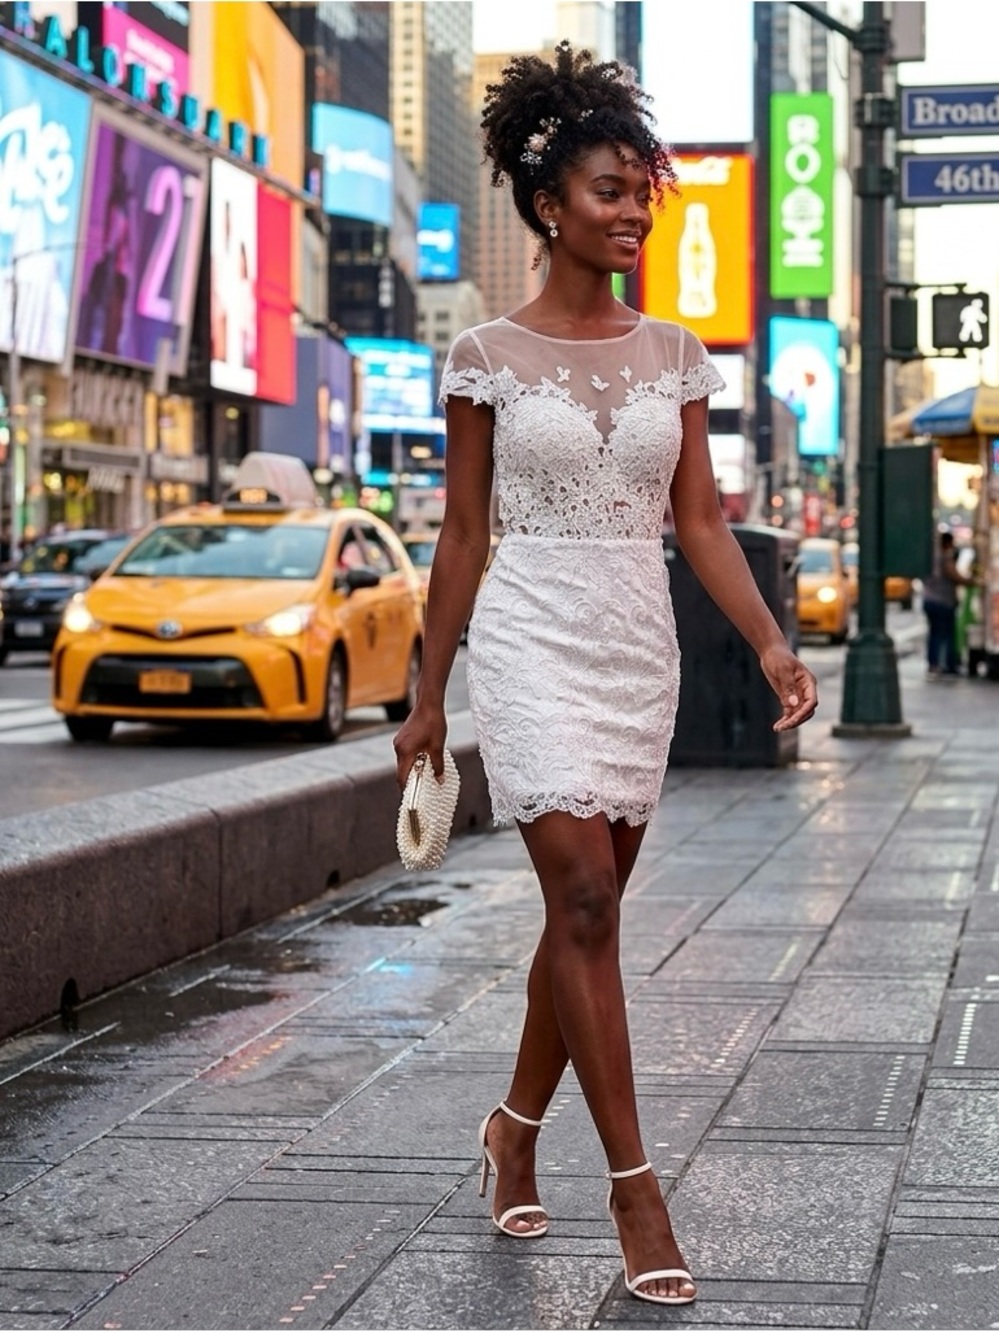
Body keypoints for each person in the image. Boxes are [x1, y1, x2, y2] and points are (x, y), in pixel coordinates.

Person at [393, 42, 818, 1308]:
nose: (634, 212)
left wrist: (769, 640)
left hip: (638, 636)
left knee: (588, 909)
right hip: (529, 630)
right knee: (580, 898)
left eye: (644, 190)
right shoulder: (481, 354)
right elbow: (463, 535)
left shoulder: (677, 354)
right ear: (546, 206)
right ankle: (638, 1190)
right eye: (608, 191)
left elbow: (699, 522)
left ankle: (512, 1126)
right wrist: (428, 694)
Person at [922, 529, 976, 678]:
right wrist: (971, 582)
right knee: (945, 634)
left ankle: (934, 664)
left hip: (929, 599)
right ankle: (946, 664)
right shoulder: (945, 557)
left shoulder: (930, 557)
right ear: (948, 543)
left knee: (934, 633)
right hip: (943, 601)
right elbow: (953, 574)